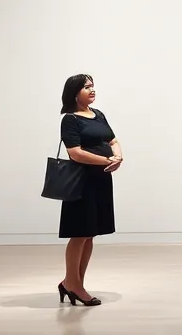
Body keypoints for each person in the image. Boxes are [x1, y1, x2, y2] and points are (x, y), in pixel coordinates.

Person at [57, 74, 123, 307]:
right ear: (75, 93)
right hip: (81, 181)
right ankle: (74, 285)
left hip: (101, 181)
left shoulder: (99, 115)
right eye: (87, 87)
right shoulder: (70, 120)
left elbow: (112, 139)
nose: (92, 90)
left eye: (93, 86)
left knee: (90, 233)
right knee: (80, 233)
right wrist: (107, 161)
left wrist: (118, 156)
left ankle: (73, 283)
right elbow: (75, 153)